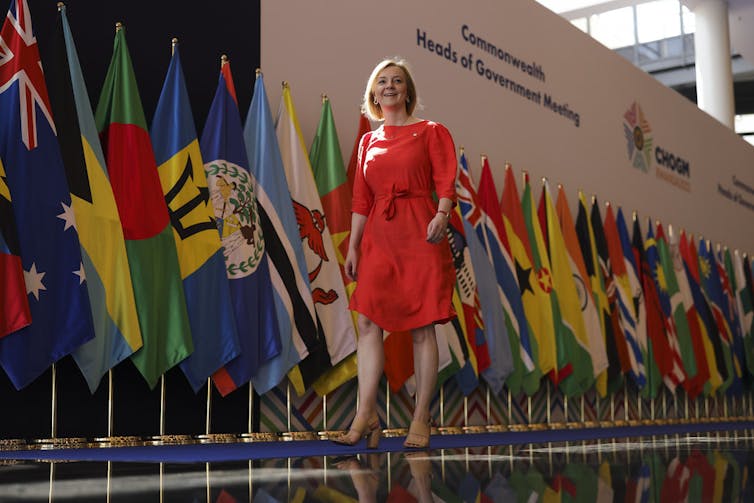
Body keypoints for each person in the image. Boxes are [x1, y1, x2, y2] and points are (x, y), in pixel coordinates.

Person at [334, 58, 458, 450]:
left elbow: (445, 180)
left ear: (407, 91)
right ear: (373, 92)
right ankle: (365, 413)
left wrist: (442, 213)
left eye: (397, 81)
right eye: (382, 81)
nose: (389, 86)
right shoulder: (368, 141)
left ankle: (421, 417)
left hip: (421, 232)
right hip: (378, 238)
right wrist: (353, 245)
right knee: (369, 324)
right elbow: (360, 198)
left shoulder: (431, 131)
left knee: (423, 327)